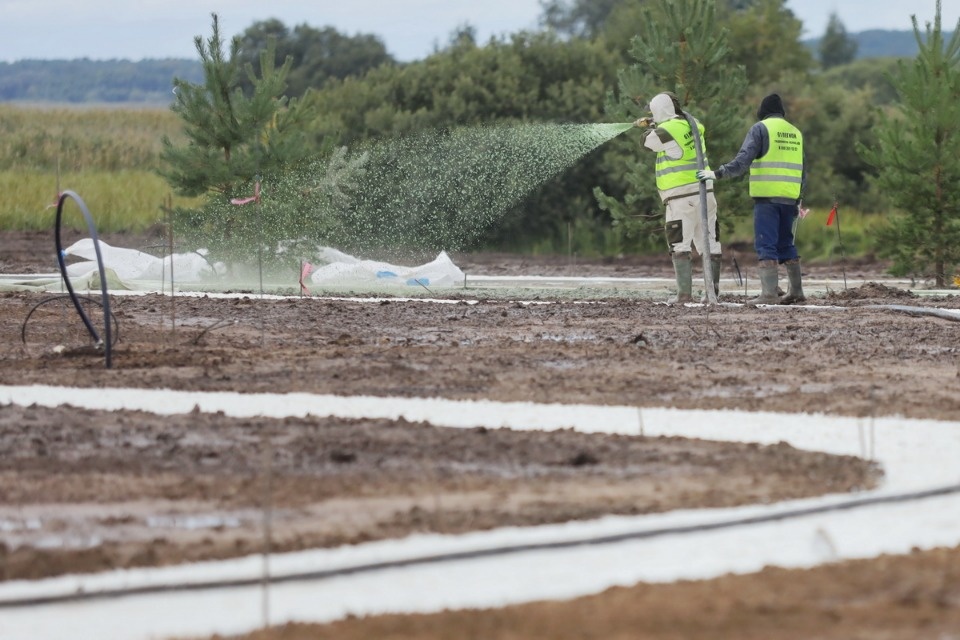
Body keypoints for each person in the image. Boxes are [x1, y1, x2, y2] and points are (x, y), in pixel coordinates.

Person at [696, 93, 806, 305]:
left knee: (766, 244)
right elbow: (803, 171)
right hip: (790, 199)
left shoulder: (760, 128)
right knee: (786, 244)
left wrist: (717, 173)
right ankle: (797, 292)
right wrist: (799, 198)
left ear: (762, 113)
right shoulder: (795, 132)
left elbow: (742, 161)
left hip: (767, 199)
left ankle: (769, 294)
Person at [635, 92, 721, 304]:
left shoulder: (666, 131)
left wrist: (648, 126)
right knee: (710, 243)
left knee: (679, 245)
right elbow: (677, 130)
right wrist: (656, 121)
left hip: (681, 198)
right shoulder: (694, 125)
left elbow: (645, 142)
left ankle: (684, 295)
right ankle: (712, 293)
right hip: (706, 193)